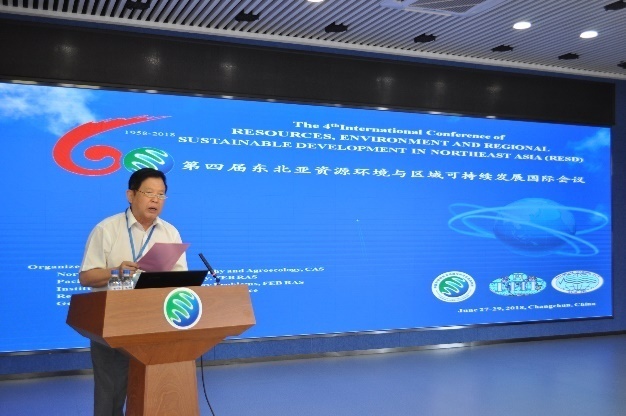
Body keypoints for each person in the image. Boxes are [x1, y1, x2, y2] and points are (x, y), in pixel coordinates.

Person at [79, 167, 187, 416]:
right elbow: (86, 277)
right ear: (131, 195)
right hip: (113, 321)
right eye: (149, 193)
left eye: (161, 194)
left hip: (155, 321)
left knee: (153, 389)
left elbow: (181, 279)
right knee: (110, 393)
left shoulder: (170, 232)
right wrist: (115, 271)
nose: (155, 200)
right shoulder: (107, 229)